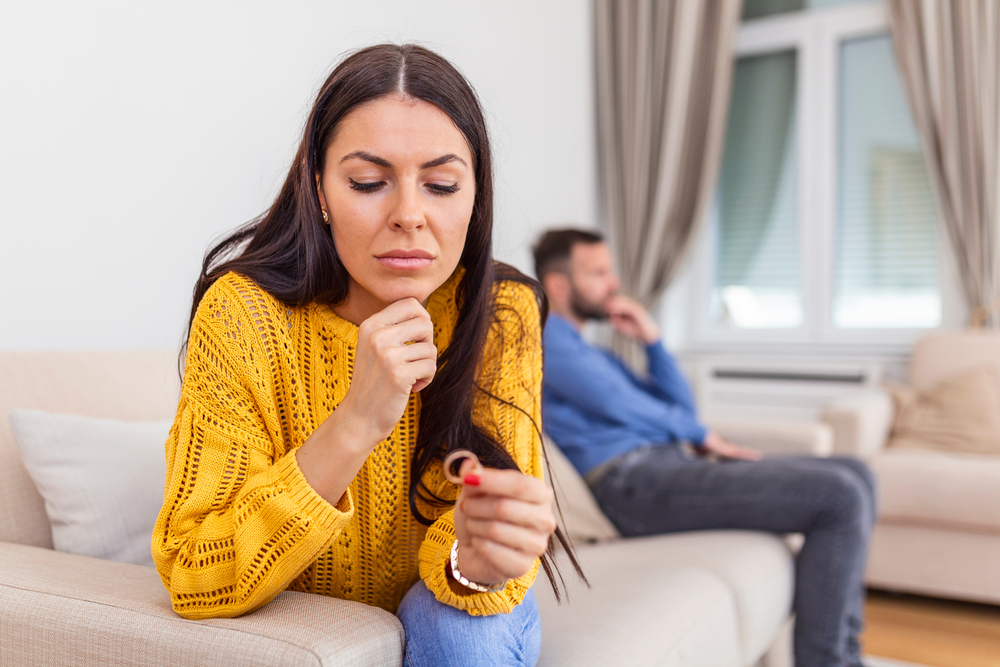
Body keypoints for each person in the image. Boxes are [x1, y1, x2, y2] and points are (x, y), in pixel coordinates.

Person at [152, 44, 577, 667]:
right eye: (369, 183)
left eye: (441, 185)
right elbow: (194, 568)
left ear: (475, 197)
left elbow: (489, 575)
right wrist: (357, 420)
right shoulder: (244, 314)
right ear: (320, 190)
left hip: (455, 617)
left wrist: (474, 562)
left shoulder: (501, 310)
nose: (409, 215)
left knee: (456, 621)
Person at [533, 228, 876, 667]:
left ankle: (847, 655)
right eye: (599, 273)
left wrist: (653, 341)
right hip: (629, 483)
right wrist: (700, 435)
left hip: (662, 467)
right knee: (838, 496)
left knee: (857, 472)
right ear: (560, 285)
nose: (614, 283)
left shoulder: (593, 351)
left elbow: (678, 406)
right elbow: (622, 405)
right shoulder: (546, 340)